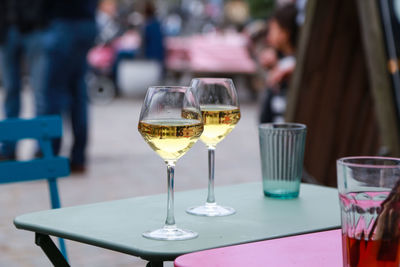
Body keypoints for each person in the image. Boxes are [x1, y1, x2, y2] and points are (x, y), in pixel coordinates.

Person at [39, 0, 98, 172]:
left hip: (64, 22)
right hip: (86, 22)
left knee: (53, 94)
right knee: (78, 92)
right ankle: (78, 158)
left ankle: (51, 157)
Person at [0, 0, 48, 160]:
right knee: (11, 91)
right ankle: (8, 147)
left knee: (40, 91)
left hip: (34, 29)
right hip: (7, 29)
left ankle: (42, 147)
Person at [259, 3, 298, 123]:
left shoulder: (291, 64)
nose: (269, 35)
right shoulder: (279, 58)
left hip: (282, 129)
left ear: (284, 33)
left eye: (272, 29)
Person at [142, 1, 165, 76]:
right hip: (159, 55)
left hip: (151, 55)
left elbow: (144, 42)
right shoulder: (158, 24)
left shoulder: (148, 26)